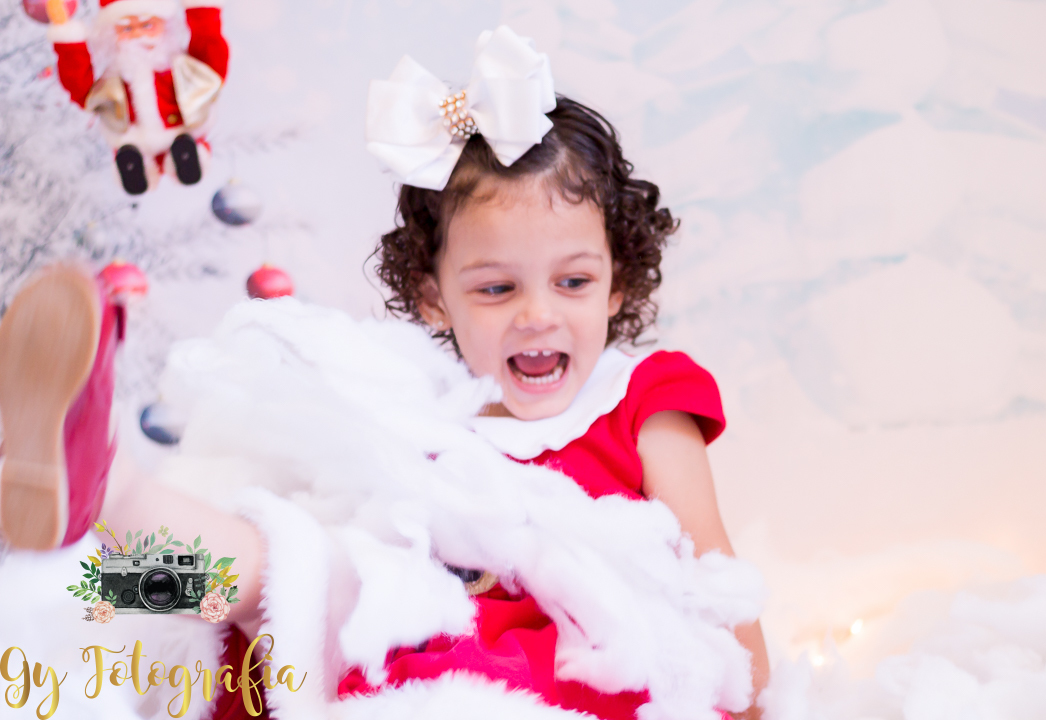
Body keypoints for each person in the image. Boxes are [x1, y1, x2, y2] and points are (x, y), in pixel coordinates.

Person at [0, 26, 766, 720]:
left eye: (573, 282)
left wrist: (752, 696)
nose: (538, 314)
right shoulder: (424, 413)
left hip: (573, 672)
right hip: (404, 646)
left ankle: (88, 551)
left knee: (308, 587)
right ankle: (100, 504)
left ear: (618, 282)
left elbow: (717, 580)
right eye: (496, 288)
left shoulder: (641, 399)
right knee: (282, 567)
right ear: (435, 299)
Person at [44, 0, 228, 194]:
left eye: (147, 25)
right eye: (127, 29)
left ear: (165, 24)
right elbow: (80, 87)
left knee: (187, 145)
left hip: (180, 129)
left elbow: (210, 52)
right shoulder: (114, 78)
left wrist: (203, 11)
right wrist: (68, 40)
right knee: (129, 151)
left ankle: (188, 156)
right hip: (131, 135)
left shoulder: (179, 67)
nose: (138, 35)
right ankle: (134, 166)